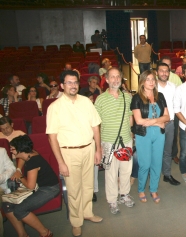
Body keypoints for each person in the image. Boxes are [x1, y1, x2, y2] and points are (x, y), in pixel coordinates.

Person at [46, 70, 103, 237]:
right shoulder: (54, 107)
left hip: (88, 148)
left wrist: (98, 149)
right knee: (73, 189)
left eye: (75, 82)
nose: (73, 85)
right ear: (62, 85)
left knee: (88, 185)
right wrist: (61, 162)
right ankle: (76, 221)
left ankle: (87, 213)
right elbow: (52, 138)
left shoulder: (86, 102)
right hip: (69, 153)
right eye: (69, 83)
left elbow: (95, 127)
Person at [2, 135, 59, 237]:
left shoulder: (33, 162)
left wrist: (20, 176)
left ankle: (45, 233)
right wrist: (18, 169)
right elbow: (22, 159)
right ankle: (22, 234)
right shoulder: (30, 153)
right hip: (40, 186)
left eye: (13, 149)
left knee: (20, 210)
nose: (11, 151)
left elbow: (30, 186)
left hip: (49, 189)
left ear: (20, 149)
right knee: (7, 205)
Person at [95, 67, 134, 214]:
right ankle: (112, 200)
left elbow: (130, 116)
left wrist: (130, 132)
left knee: (125, 170)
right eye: (112, 77)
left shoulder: (127, 97)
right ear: (106, 79)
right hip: (108, 142)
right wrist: (98, 146)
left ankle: (124, 194)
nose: (116, 79)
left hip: (126, 141)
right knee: (111, 173)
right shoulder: (100, 100)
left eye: (118, 76)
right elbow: (96, 125)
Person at [131, 70, 169, 204]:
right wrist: (159, 122)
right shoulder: (136, 98)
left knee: (157, 163)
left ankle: (153, 189)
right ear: (142, 82)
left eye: (153, 79)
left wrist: (153, 122)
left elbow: (168, 117)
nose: (151, 82)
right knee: (145, 164)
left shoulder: (160, 96)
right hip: (143, 135)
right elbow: (139, 121)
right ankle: (141, 189)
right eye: (148, 79)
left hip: (159, 135)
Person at [156, 63, 180, 186]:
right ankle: (153, 176)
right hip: (155, 124)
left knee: (168, 150)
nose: (164, 73)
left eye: (166, 71)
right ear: (157, 72)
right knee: (154, 151)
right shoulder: (151, 86)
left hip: (170, 123)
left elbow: (177, 104)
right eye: (161, 71)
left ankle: (167, 174)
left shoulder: (173, 87)